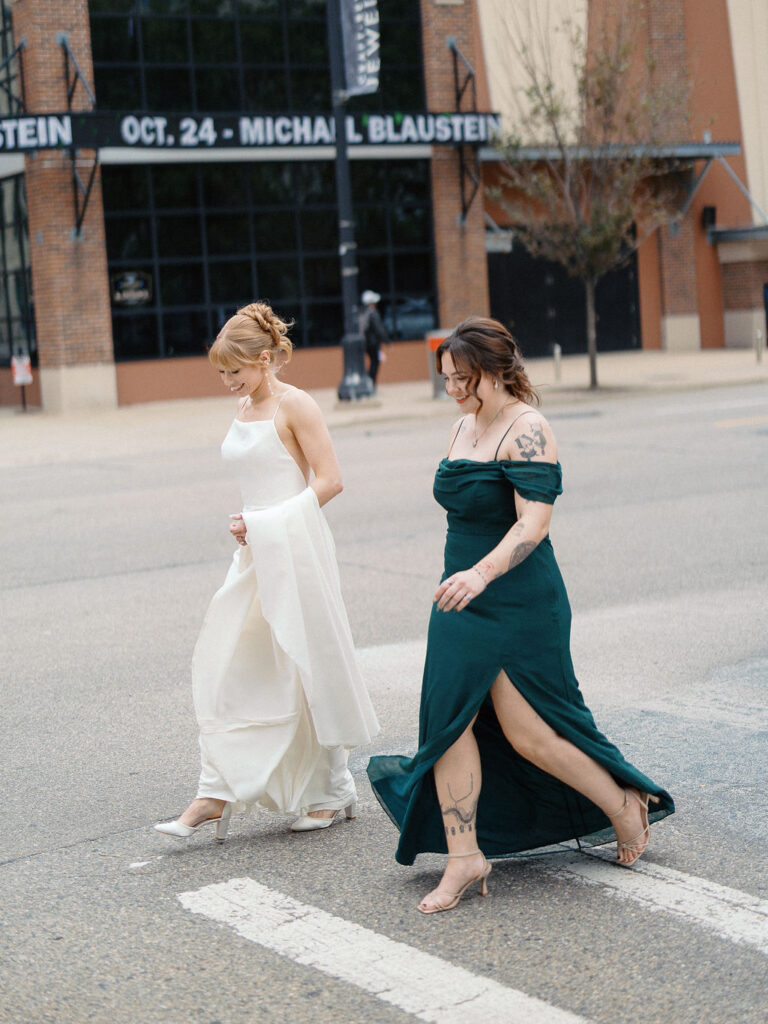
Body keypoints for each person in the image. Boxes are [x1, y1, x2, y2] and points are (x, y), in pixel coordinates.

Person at [366, 316, 674, 914]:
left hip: (516, 597)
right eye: (447, 378)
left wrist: (482, 573)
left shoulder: (528, 427)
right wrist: (467, 578)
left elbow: (533, 523)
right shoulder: (462, 425)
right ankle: (464, 858)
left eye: (464, 378)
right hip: (460, 595)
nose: (453, 389)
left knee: (530, 734)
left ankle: (622, 806)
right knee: (448, 721)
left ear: (497, 369)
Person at [155, 302, 379, 842]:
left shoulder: (295, 404)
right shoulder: (245, 406)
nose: (228, 381)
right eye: (222, 373)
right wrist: (254, 531)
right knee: (234, 659)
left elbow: (330, 480)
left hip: (293, 546)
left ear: (263, 359)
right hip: (256, 549)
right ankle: (216, 790)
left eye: (235, 371)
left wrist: (265, 524)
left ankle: (331, 787)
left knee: (307, 663)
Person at [360, 290, 389, 392]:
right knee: (374, 363)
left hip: (363, 343)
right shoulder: (372, 312)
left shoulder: (362, 312)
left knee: (367, 363)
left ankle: (368, 383)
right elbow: (378, 328)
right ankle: (371, 384)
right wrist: (386, 339)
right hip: (372, 343)